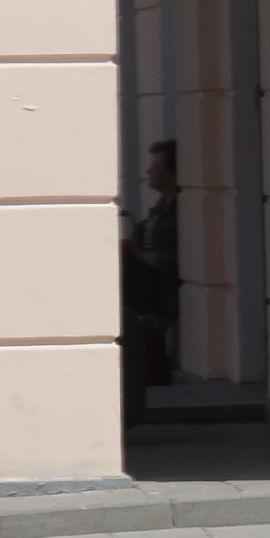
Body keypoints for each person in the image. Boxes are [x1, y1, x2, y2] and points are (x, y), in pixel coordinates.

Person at [121, 140, 181, 428]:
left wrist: (137, 254)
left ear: (173, 172)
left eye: (156, 167)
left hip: (165, 291)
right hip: (152, 288)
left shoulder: (180, 209)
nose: (148, 172)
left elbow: (178, 256)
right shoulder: (161, 207)